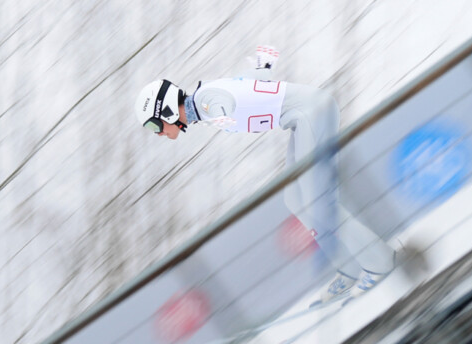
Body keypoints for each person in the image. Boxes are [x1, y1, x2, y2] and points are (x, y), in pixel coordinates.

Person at [134, 45, 396, 303]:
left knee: (320, 203)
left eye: (154, 124)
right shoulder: (204, 97)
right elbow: (248, 85)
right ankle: (348, 269)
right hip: (301, 120)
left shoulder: (205, 100)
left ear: (167, 109)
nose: (157, 132)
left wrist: (220, 115)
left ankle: (379, 261)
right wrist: (263, 67)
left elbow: (221, 102)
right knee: (295, 199)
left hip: (312, 114)